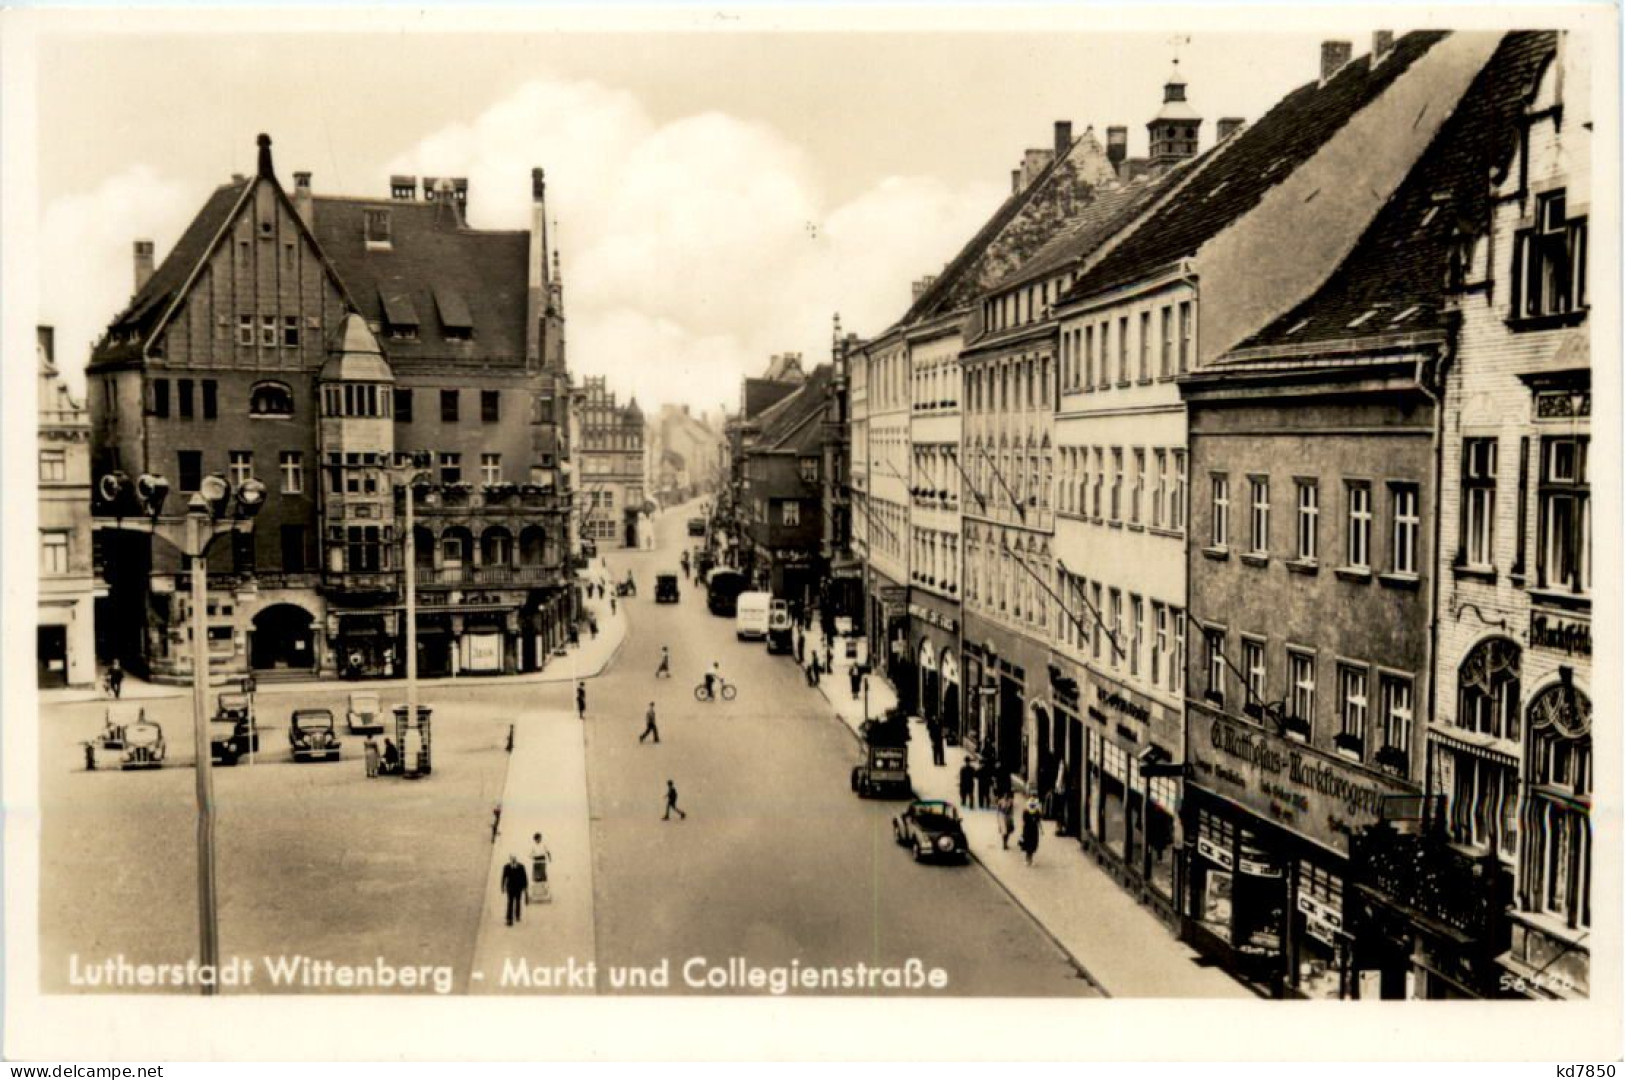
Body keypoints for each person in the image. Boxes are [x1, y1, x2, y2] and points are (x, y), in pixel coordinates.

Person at [500, 855, 529, 926]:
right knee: (510, 902)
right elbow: (503, 877)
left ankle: (517, 915)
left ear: (516, 859)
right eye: (511, 859)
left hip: (518, 888)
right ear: (510, 859)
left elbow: (524, 877)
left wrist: (525, 887)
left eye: (514, 859)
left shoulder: (521, 867)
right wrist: (502, 887)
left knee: (518, 902)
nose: (513, 860)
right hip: (510, 888)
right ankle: (509, 919)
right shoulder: (506, 867)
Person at [529, 833, 552, 903]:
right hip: (536, 861)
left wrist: (549, 858)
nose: (538, 840)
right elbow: (530, 854)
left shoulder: (544, 844)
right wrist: (532, 856)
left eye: (539, 838)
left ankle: (545, 889)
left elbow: (548, 851)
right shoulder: (533, 846)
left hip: (542, 860)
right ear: (535, 839)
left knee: (543, 874)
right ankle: (535, 890)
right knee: (536, 876)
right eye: (537, 839)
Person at [1020, 797, 1043, 866]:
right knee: (1028, 845)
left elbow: (1039, 821)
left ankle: (1030, 859)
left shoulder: (1037, 812)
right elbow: (1024, 822)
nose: (1032, 806)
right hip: (1027, 830)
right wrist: (1022, 832)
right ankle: (1027, 859)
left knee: (1032, 845)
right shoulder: (1026, 811)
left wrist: (1041, 830)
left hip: (1034, 830)